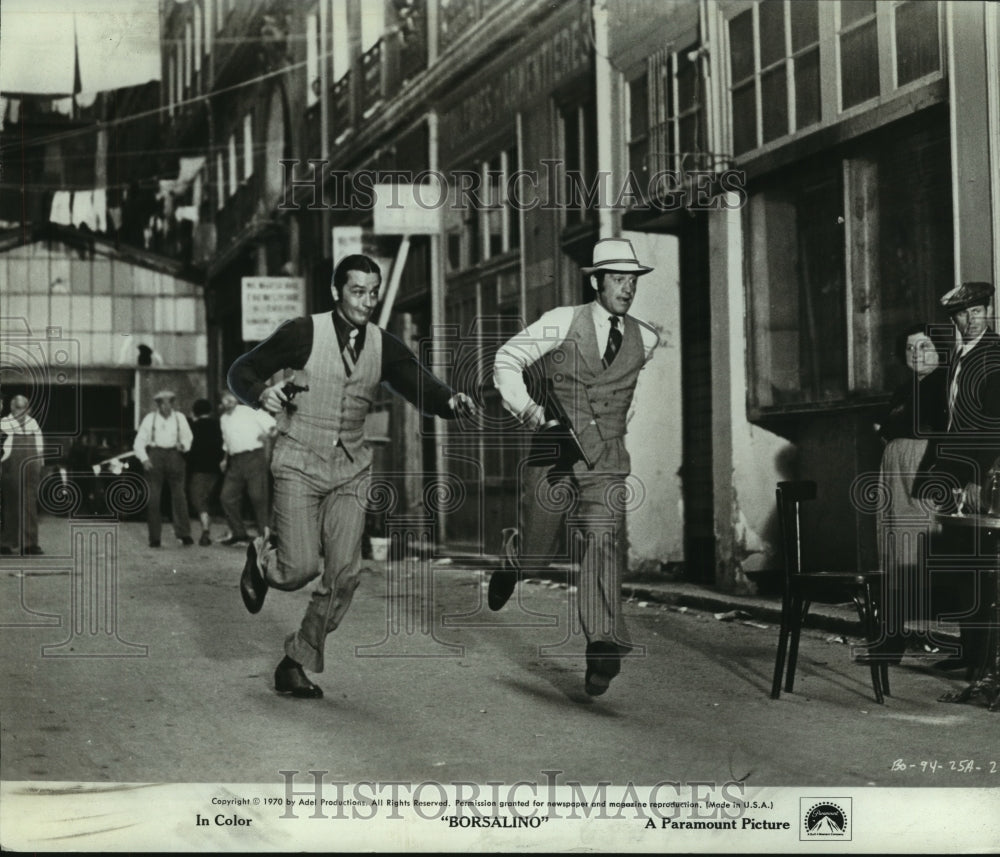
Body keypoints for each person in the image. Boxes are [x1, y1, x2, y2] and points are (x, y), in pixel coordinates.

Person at [228, 254, 477, 699]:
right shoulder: (303, 332)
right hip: (299, 461)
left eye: (373, 291)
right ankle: (263, 558)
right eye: (357, 291)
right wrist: (260, 392)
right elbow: (240, 370)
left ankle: (296, 661)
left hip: (351, 470)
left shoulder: (383, 345)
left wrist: (451, 401)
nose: (367, 300)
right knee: (297, 569)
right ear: (336, 292)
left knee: (345, 575)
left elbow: (419, 384)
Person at [487, 237, 659, 697]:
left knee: (601, 542)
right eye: (618, 279)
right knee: (539, 553)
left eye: (632, 281)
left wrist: (616, 428)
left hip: (606, 463)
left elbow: (630, 396)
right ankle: (514, 561)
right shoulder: (563, 321)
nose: (627, 289)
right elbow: (506, 360)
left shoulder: (648, 337)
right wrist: (531, 414)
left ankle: (602, 645)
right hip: (555, 452)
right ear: (597, 281)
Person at [862, 324, 949, 664]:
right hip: (895, 472)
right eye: (910, 349)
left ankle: (904, 634)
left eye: (925, 346)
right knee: (894, 546)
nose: (917, 354)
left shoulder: (945, 383)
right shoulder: (905, 389)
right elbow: (885, 428)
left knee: (919, 545)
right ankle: (893, 636)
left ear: (939, 350)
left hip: (923, 469)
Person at [933, 281, 1000, 670]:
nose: (971, 319)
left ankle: (984, 662)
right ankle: (971, 655)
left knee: (983, 568)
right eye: (963, 313)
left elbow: (993, 423)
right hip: (959, 473)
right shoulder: (958, 355)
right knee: (963, 567)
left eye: (978, 311)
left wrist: (976, 477)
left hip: (984, 473)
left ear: (988, 312)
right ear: (953, 318)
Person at [133, 390, 194, 548]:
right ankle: (155, 538)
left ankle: (184, 534)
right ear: (158, 404)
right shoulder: (149, 419)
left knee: (179, 496)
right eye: (162, 403)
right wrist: (144, 458)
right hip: (155, 456)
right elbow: (138, 442)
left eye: (169, 402)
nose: (166, 406)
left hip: (175, 455)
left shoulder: (180, 418)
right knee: (153, 498)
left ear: (173, 403)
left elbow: (188, 437)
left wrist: (184, 446)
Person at [217, 390, 275, 547]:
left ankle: (265, 537)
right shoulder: (223, 419)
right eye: (224, 401)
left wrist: (268, 435)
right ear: (221, 403)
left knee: (258, 497)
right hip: (235, 461)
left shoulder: (250, 410)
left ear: (236, 399)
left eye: (230, 399)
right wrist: (224, 460)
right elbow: (226, 442)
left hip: (254, 458)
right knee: (226, 497)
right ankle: (239, 533)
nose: (228, 403)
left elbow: (273, 425)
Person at [0, 395, 45, 555]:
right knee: (11, 504)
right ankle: (5, 543)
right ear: (12, 409)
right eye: (18, 409)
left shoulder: (32, 423)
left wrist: (40, 463)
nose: (21, 413)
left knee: (30, 505)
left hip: (31, 469)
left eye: (24, 409)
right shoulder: (4, 423)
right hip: (10, 468)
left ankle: (30, 544)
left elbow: (39, 445)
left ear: (28, 409)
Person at [187, 398, 224, 546]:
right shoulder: (218, 425)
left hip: (199, 470)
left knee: (198, 500)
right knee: (206, 499)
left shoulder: (193, 427)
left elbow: (189, 449)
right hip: (215, 470)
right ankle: (206, 529)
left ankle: (205, 531)